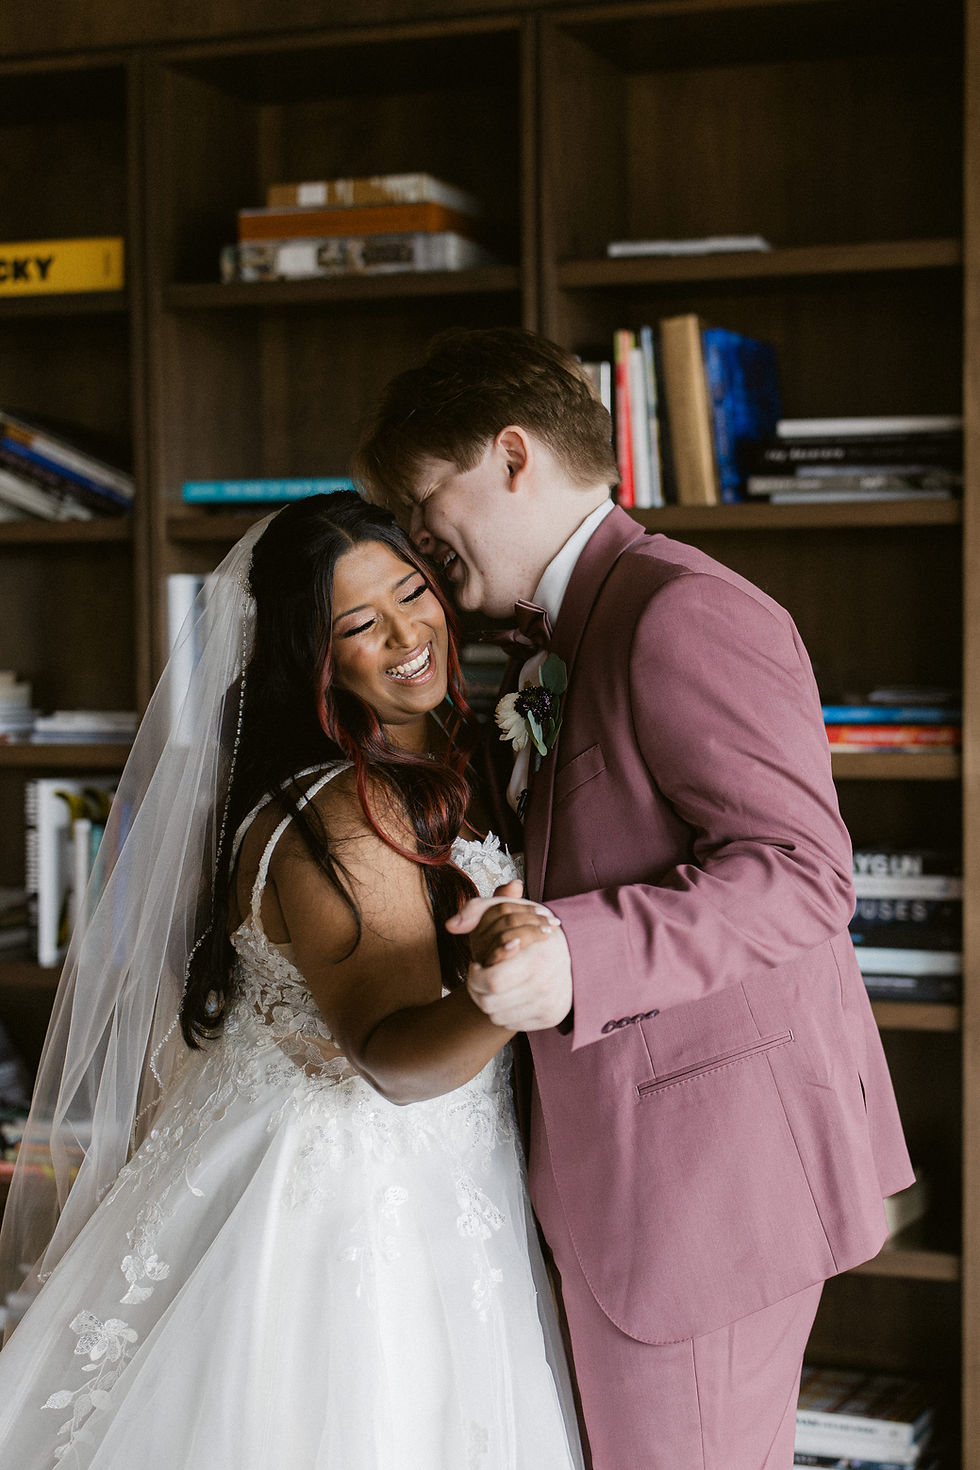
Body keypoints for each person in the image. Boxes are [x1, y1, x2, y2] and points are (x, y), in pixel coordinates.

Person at [353, 326, 916, 1470]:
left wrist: (574, 951)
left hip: (698, 1197)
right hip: (619, 1176)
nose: (416, 540)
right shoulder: (559, 634)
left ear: (510, 456)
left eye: (421, 501)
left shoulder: (678, 610)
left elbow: (803, 874)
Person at [0, 492, 585, 1470]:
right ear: (311, 660)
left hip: (423, 1182)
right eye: (359, 624)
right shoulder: (343, 817)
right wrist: (510, 994)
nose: (407, 633)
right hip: (345, 1215)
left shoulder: (416, 767)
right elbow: (391, 1060)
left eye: (412, 592)